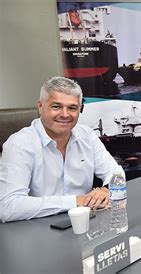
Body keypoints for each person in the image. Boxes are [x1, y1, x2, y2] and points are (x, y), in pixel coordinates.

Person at [0, 76, 124, 222]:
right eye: (56, 106)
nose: (65, 114)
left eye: (72, 108)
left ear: (80, 110)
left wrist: (106, 189)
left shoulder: (87, 136)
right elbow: (8, 207)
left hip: (86, 223)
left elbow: (116, 173)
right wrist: (76, 201)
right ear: (40, 106)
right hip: (37, 229)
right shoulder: (19, 144)